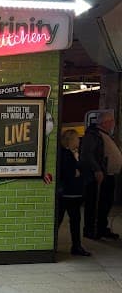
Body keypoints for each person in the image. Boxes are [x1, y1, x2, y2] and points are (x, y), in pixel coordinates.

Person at [80, 110, 122, 240]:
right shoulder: (93, 135)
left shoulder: (104, 135)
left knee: (105, 203)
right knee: (95, 203)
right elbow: (87, 154)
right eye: (111, 122)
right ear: (105, 122)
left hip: (108, 174)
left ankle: (102, 228)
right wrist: (97, 170)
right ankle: (92, 230)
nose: (113, 124)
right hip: (98, 175)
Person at [57, 129, 90, 257]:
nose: (79, 141)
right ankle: (76, 246)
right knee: (73, 220)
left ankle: (76, 245)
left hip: (72, 192)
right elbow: (70, 173)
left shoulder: (73, 153)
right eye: (77, 138)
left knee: (72, 220)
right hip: (69, 193)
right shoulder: (66, 154)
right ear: (70, 140)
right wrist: (77, 172)